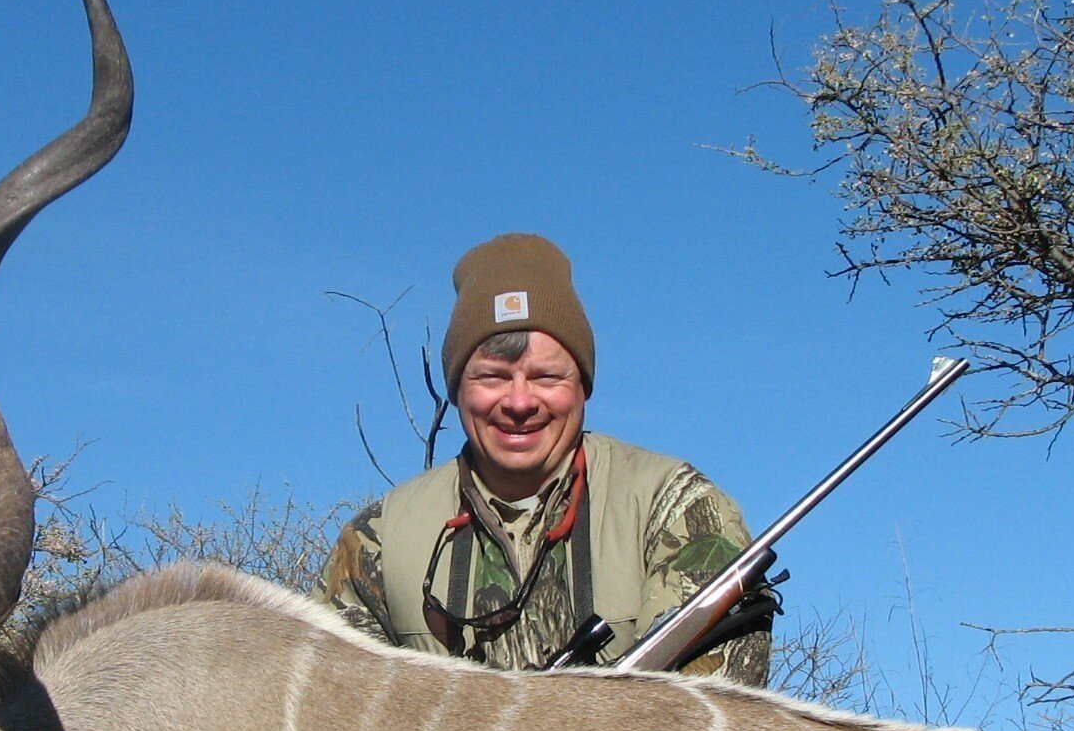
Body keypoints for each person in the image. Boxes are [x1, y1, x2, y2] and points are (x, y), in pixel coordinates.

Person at [315, 233, 771, 684]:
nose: (519, 402)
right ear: (457, 389)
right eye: (492, 377)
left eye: (546, 376)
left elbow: (714, 717)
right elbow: (335, 715)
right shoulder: (376, 541)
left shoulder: (674, 506)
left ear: (582, 387)